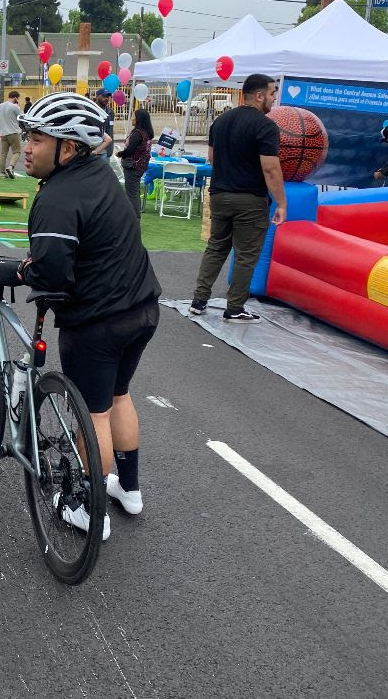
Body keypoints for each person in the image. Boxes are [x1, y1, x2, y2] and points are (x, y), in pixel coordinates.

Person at [16, 92, 161, 540]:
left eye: (38, 138)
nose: (26, 146)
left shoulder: (57, 198)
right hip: (142, 308)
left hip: (98, 322)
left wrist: (28, 271)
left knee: (92, 413)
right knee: (119, 396)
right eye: (27, 136)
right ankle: (128, 489)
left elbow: (54, 274)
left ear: (69, 148)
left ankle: (89, 511)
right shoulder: (100, 173)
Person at [189, 74, 287, 322]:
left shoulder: (220, 122)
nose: (274, 99)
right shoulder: (265, 126)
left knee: (216, 247)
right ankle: (234, 307)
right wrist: (281, 203)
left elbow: (212, 159)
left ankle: (199, 300)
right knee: (245, 255)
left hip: (220, 194)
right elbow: (271, 169)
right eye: (273, 93)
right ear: (259, 95)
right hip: (250, 199)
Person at [116, 108, 154, 216]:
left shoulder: (138, 134)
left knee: (131, 193)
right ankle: (135, 215)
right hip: (140, 166)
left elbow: (130, 150)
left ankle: (134, 217)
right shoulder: (147, 133)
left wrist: (119, 154)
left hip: (132, 166)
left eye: (133, 117)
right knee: (135, 192)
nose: (132, 119)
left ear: (138, 120)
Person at [0, 90, 22, 179]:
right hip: (13, 132)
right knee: (17, 152)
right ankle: (11, 167)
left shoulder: (0, 106)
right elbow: (22, 117)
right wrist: (19, 105)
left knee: (3, 154)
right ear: (15, 98)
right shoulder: (15, 107)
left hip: (3, 133)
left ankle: (2, 173)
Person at [93, 89, 115, 157]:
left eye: (108, 97)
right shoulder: (91, 110)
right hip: (93, 151)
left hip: (106, 151)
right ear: (97, 96)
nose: (106, 99)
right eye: (104, 96)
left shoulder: (110, 112)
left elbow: (110, 130)